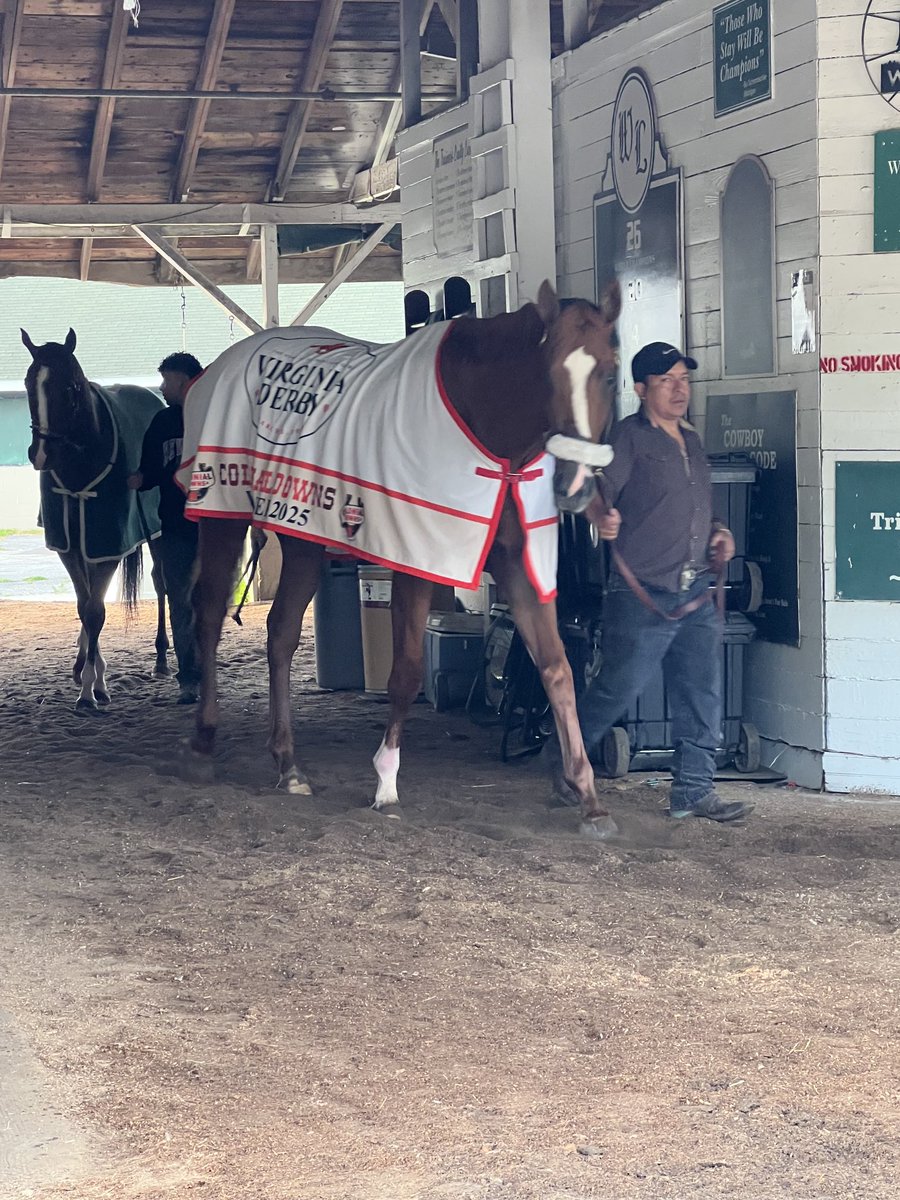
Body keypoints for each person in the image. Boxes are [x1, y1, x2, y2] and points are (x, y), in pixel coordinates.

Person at [549, 341, 753, 823]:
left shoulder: (692, 438)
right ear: (641, 390)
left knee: (702, 692)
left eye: (684, 379)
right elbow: (596, 490)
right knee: (617, 690)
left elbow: (700, 504)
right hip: (643, 591)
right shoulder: (628, 439)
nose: (679, 389)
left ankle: (693, 791)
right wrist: (603, 518)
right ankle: (562, 769)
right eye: (667, 381)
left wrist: (720, 531)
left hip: (696, 589)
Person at [128, 352, 204, 704]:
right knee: (181, 602)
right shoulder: (161, 423)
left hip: (214, 528)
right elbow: (151, 470)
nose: (162, 387)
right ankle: (189, 676)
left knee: (208, 600)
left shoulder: (214, 418)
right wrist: (140, 479)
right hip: (173, 526)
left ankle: (208, 671)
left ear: (186, 379)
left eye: (167, 380)